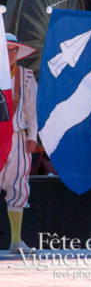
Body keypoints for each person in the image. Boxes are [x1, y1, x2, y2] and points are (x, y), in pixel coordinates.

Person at [1, 34, 37, 254]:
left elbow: (32, 109)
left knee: (18, 185)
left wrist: (33, 136)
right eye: (6, 49)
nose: (10, 53)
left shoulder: (26, 75)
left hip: (18, 136)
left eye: (14, 50)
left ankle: (16, 241)